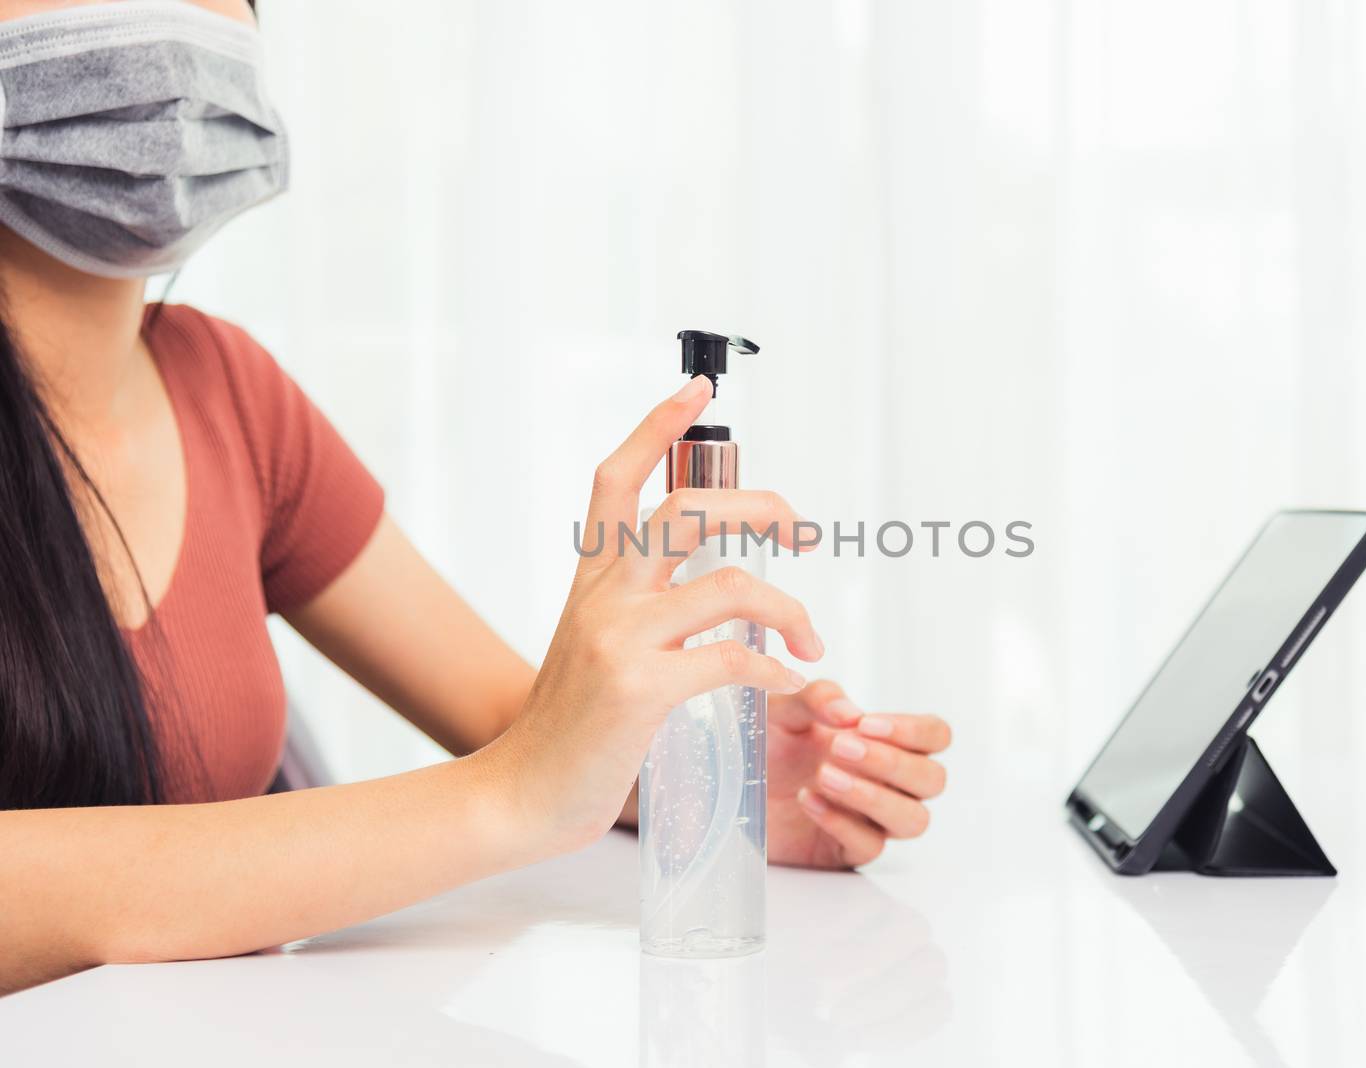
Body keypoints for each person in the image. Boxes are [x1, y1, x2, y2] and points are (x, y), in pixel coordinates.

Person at [0, 0, 950, 994]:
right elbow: (522, 765)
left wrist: (703, 785)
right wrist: (514, 797)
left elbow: (508, 713)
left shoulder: (225, 390)